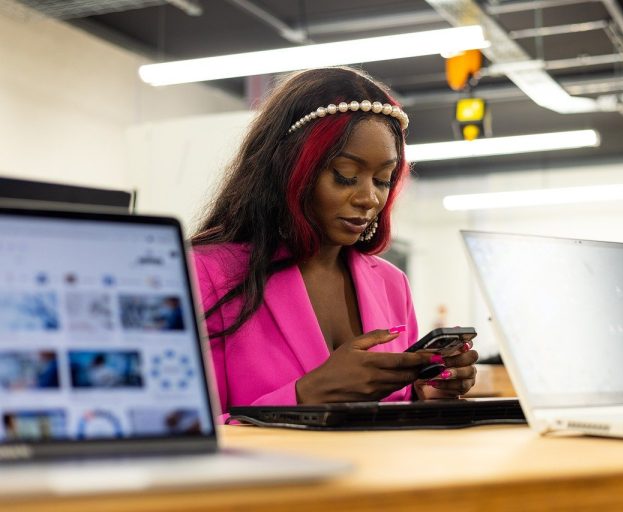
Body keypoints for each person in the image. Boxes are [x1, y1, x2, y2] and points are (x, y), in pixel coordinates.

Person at [191, 67, 478, 416]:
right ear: (290, 168)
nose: (369, 198)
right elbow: (181, 433)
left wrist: (425, 397)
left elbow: (395, 419)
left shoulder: (391, 285)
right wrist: (305, 395)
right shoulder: (205, 274)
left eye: (383, 180)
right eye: (345, 176)